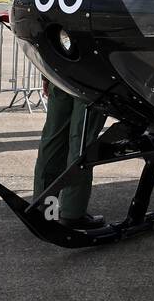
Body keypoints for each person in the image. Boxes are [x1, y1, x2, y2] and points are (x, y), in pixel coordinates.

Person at [34, 80, 107, 229]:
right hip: (92, 79)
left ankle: (45, 207)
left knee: (54, 140)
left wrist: (46, 77)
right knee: (81, 143)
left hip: (60, 73)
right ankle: (72, 213)